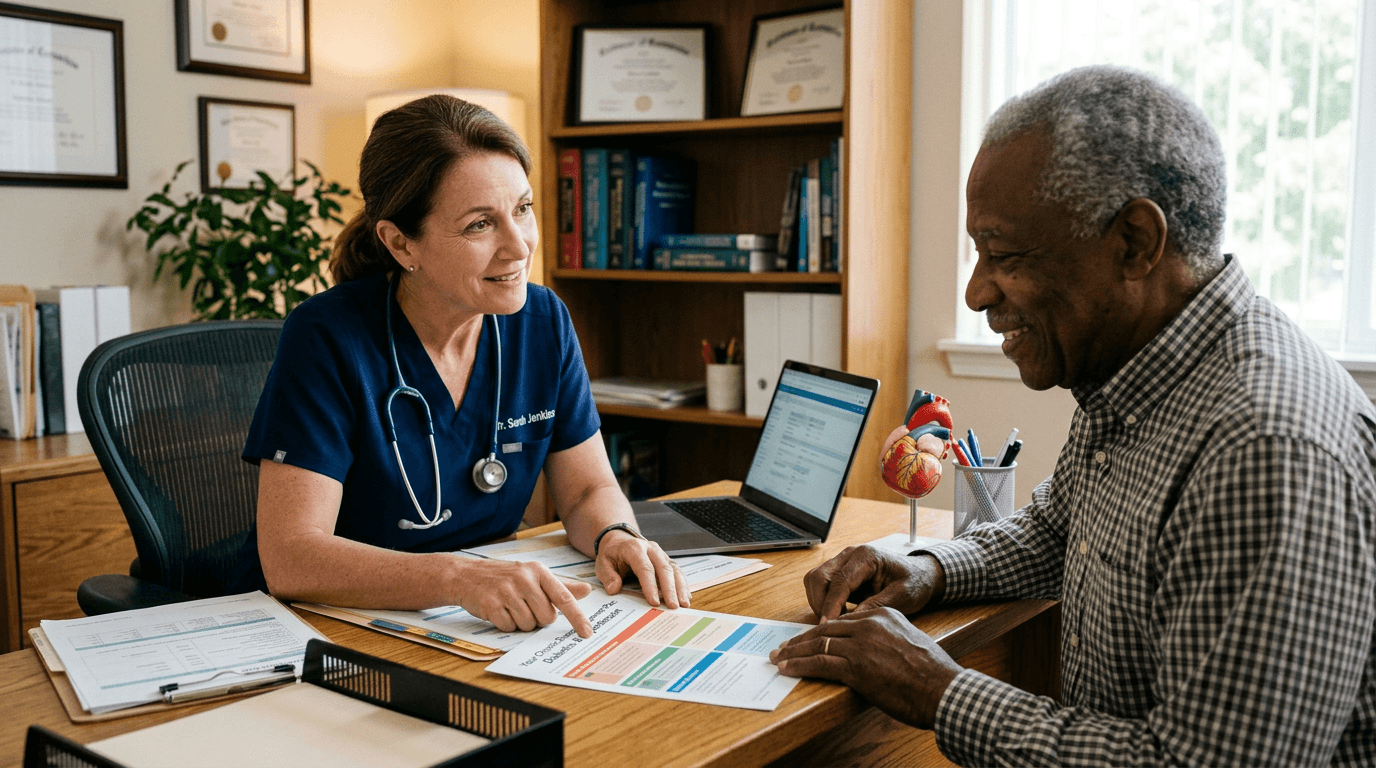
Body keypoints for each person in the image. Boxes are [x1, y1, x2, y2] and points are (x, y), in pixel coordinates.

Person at [771, 65, 1376, 765]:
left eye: (1004, 254)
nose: (974, 292)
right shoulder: (1134, 369)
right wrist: (927, 568)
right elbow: (1063, 530)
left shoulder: (1265, 447)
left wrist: (937, 689)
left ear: (1134, 243)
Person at [231, 95, 687, 638]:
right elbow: (292, 558)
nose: (518, 246)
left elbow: (587, 491)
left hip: (477, 626)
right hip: (330, 628)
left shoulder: (542, 320)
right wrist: (458, 576)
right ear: (401, 243)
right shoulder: (328, 335)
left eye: (523, 208)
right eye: (479, 225)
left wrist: (616, 534)